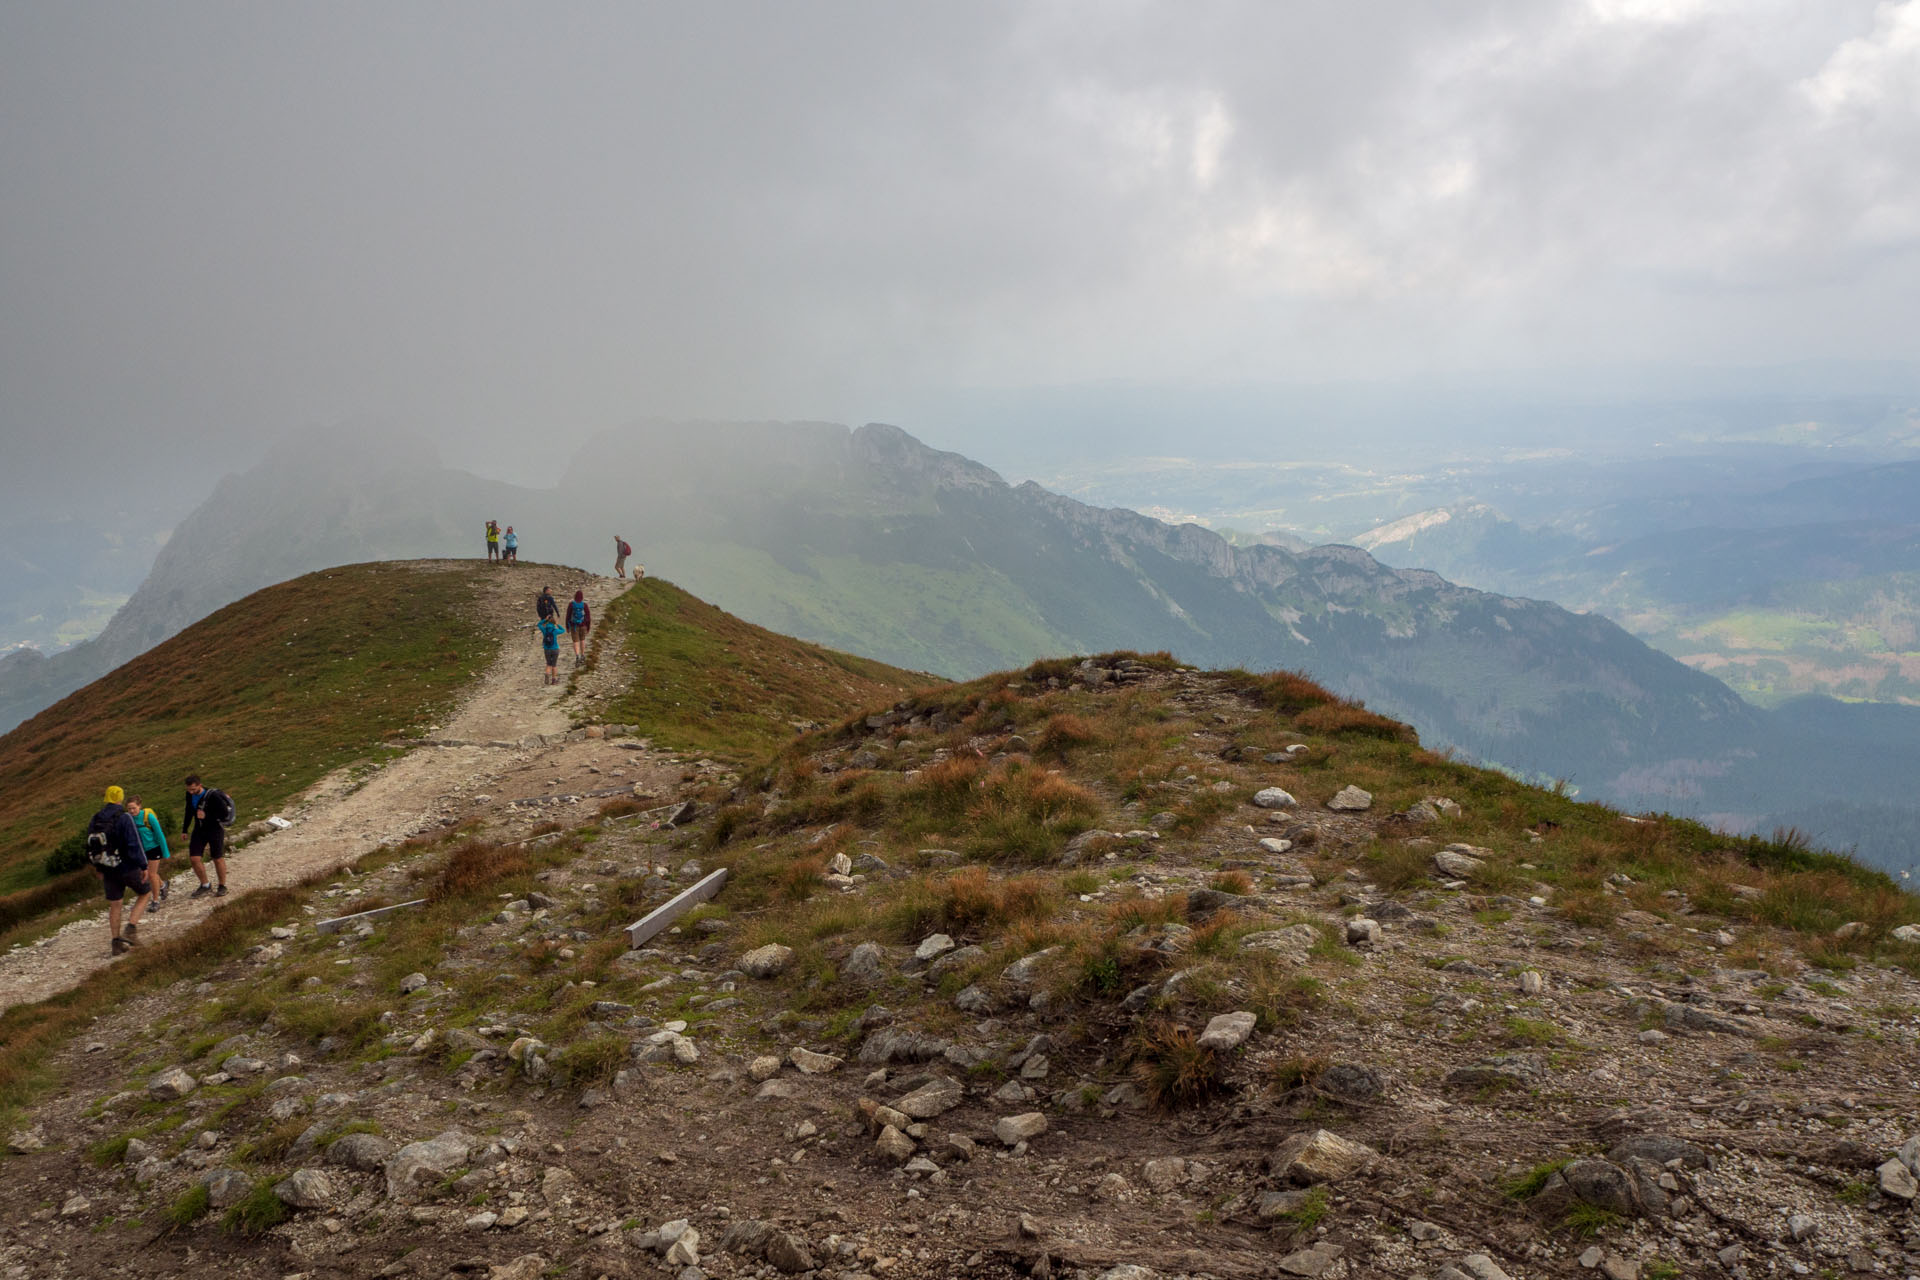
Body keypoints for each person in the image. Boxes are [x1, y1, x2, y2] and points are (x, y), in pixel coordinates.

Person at [90, 786, 151, 955]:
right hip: (126, 866)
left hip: (107, 868)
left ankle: (116, 943)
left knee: (115, 904)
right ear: (120, 798)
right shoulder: (124, 817)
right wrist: (143, 865)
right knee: (145, 892)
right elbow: (134, 843)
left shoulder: (96, 819)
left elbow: (92, 845)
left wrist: (98, 866)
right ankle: (130, 929)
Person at [182, 774, 234, 898]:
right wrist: (184, 829)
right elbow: (188, 811)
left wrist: (207, 816)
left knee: (217, 857)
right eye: (189, 789)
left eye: (194, 789)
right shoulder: (189, 795)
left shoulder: (213, 796)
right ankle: (205, 885)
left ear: (200, 785)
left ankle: (222, 886)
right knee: (194, 858)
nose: (191, 792)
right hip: (199, 829)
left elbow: (224, 813)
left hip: (215, 829)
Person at [126, 795, 172, 911]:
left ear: (139, 806)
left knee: (151, 875)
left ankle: (155, 901)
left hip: (154, 848)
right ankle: (163, 885)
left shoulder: (148, 817)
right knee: (148, 875)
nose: (131, 811)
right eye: (129, 809)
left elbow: (159, 834)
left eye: (134, 808)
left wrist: (165, 852)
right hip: (141, 851)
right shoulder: (129, 819)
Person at [536, 613, 565, 684]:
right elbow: (563, 630)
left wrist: (544, 620)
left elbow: (539, 624)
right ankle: (554, 680)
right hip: (555, 648)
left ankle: (547, 675)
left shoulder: (544, 630)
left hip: (547, 649)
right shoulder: (555, 630)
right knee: (554, 665)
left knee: (548, 664)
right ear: (553, 622)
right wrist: (557, 624)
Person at [566, 590, 591, 664]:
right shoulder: (584, 605)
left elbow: (568, 616)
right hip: (583, 625)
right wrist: (588, 627)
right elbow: (588, 617)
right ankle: (583, 655)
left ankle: (577, 656)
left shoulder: (571, 604)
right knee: (582, 640)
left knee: (575, 641)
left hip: (574, 626)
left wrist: (567, 626)